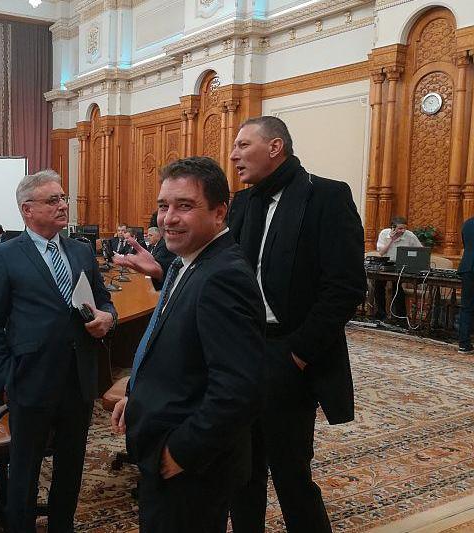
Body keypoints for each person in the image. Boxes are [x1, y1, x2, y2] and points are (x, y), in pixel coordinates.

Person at [226, 116, 366, 533]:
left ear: (275, 147)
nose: (233, 155)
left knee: (291, 476)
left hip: (288, 353)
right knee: (240, 471)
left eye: (243, 145)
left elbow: (345, 287)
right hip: (241, 352)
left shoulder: (326, 196)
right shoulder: (242, 203)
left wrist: (299, 354)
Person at [111, 156, 265, 532]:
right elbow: (176, 351)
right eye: (163, 206)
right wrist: (137, 394)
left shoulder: (223, 277)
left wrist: (182, 453)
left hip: (193, 468)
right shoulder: (188, 262)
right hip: (173, 445)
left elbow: (237, 389)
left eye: (184, 206)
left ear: (219, 212)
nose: (168, 218)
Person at [0, 170, 117, 533]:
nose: (63, 206)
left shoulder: (81, 250)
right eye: (53, 200)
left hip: (79, 376)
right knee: (25, 470)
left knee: (71, 466)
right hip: (30, 380)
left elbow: (103, 300)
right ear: (27, 209)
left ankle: (62, 525)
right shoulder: (4, 256)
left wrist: (108, 317)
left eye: (63, 198)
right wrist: (7, 376)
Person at [373, 216, 423, 320]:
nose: (403, 231)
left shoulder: (410, 235)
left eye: (404, 228)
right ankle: (381, 314)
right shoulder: (384, 233)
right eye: (400, 228)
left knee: (397, 287)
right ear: (393, 228)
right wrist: (391, 240)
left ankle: (400, 316)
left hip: (401, 266)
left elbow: (421, 251)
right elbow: (381, 252)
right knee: (378, 285)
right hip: (386, 264)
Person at [116, 226, 175, 291]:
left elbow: (155, 261)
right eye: (148, 235)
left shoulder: (163, 245)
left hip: (163, 282)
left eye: (150, 235)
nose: (148, 238)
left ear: (159, 235)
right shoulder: (151, 245)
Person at [458, 217, 474, 353]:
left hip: (467, 267)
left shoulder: (468, 223)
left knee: (466, 306)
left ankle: (464, 344)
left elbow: (465, 244)